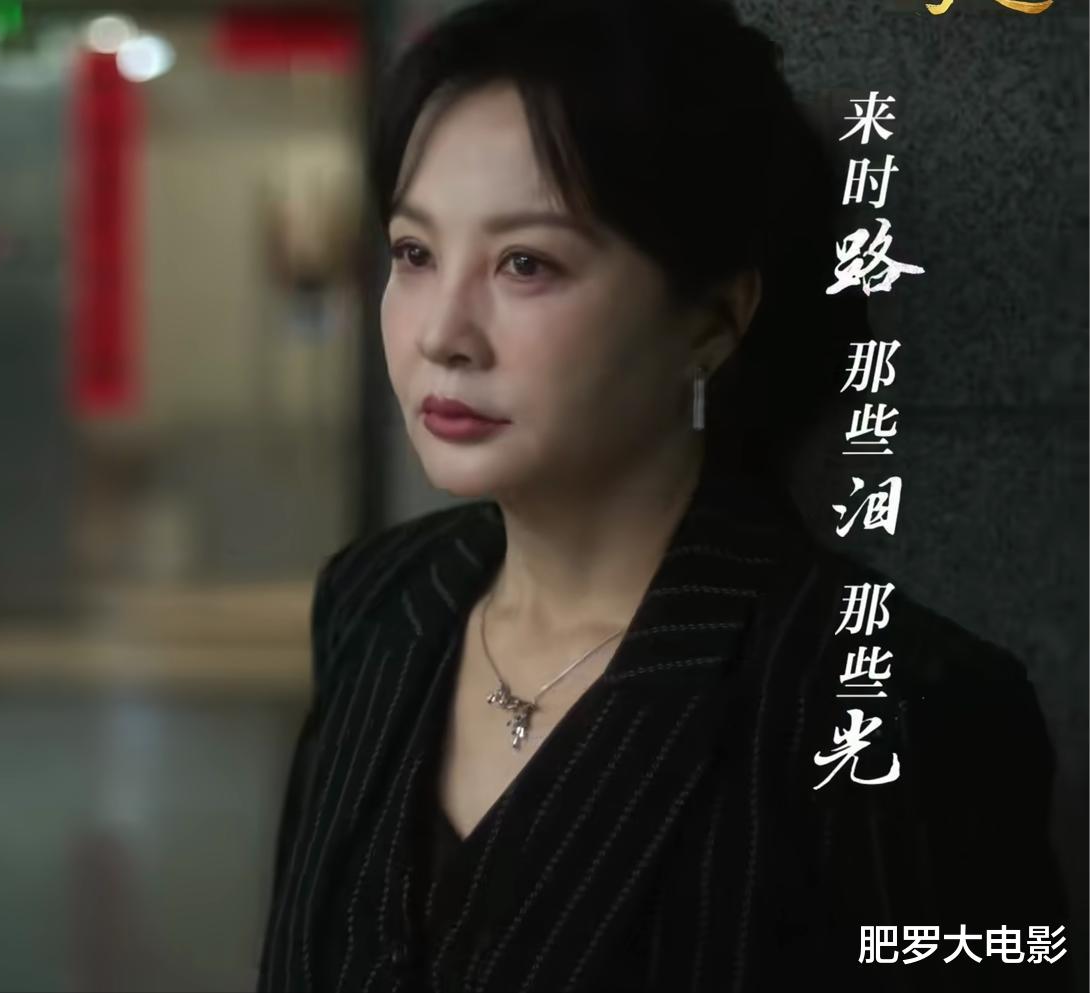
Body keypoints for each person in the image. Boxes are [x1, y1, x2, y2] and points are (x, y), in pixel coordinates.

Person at [255, 1, 1074, 991]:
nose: (441, 334)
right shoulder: (373, 602)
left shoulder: (885, 703)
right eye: (413, 253)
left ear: (711, 321)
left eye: (526, 263)